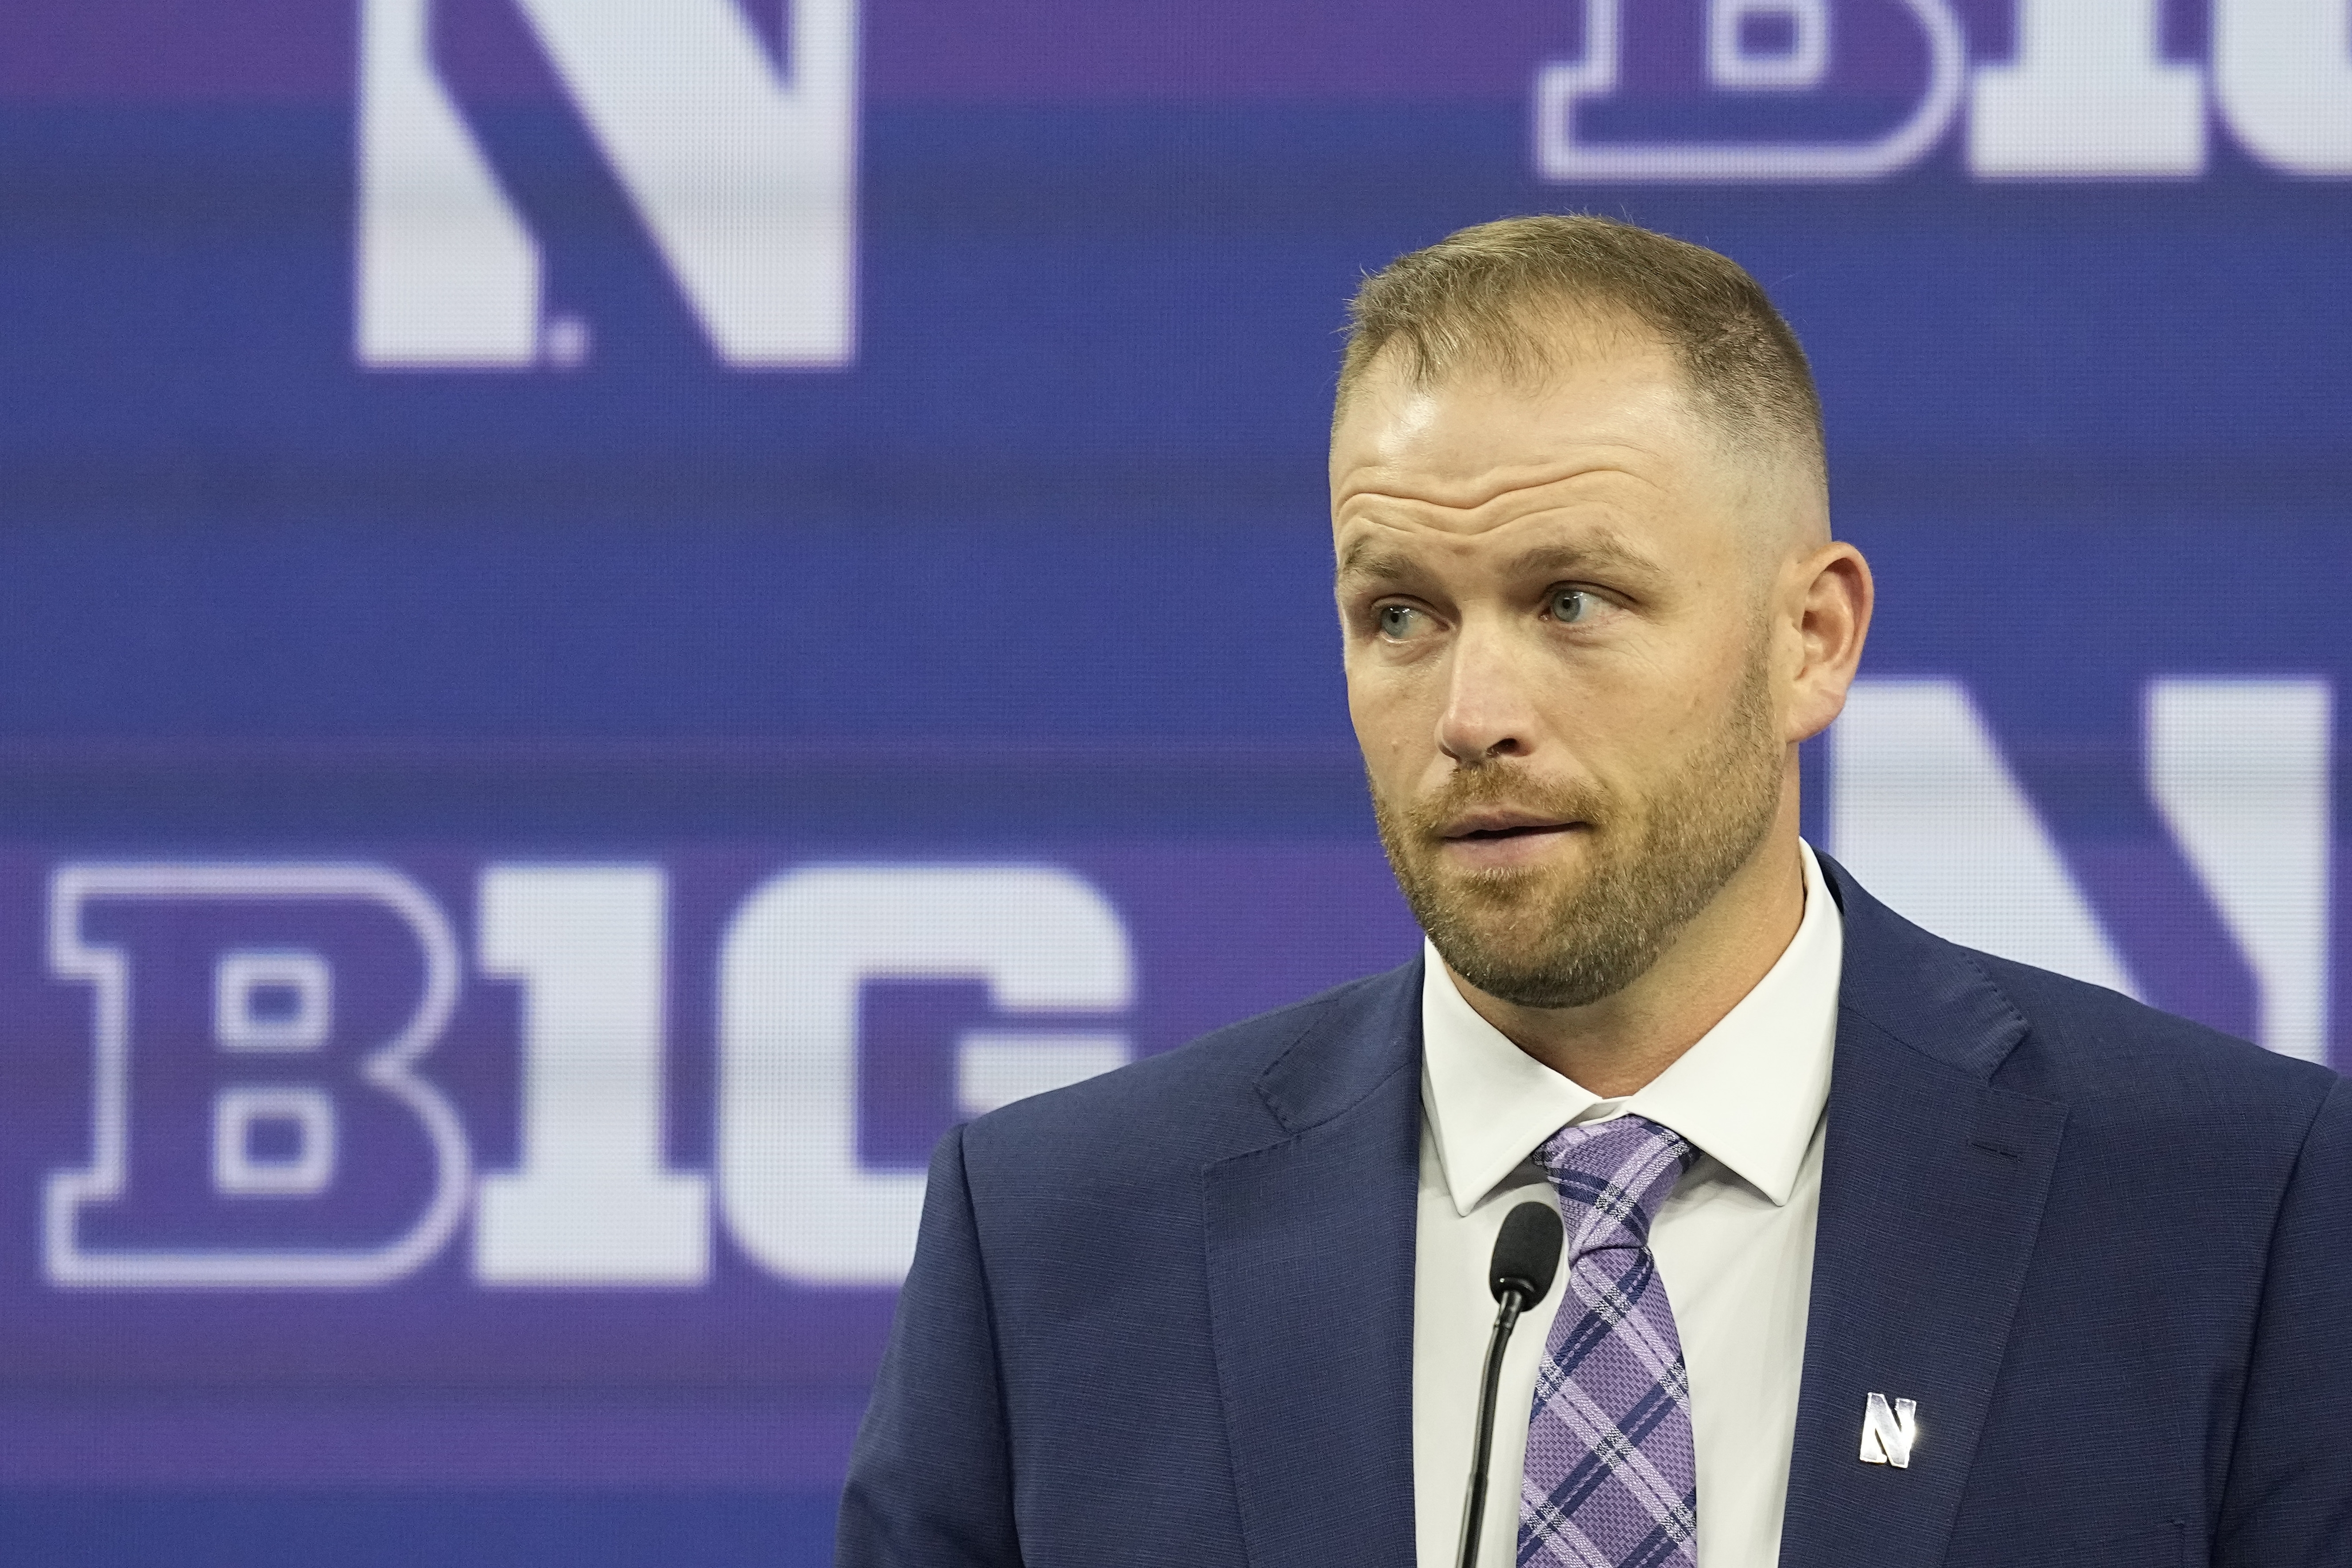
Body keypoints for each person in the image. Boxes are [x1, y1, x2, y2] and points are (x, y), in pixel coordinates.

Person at [833, 216, 2352, 1568]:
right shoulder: (1056, 1246)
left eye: (1575, 599)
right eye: (1401, 612)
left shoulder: (2235, 1205)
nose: (1471, 711)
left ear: (1810, 639)